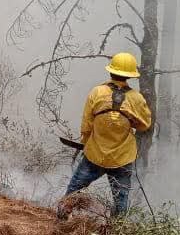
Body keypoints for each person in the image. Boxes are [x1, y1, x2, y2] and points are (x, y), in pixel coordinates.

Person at [63, 52, 152, 216]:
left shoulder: (97, 92)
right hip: (122, 158)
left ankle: (60, 220)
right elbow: (144, 125)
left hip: (94, 155)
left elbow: (86, 125)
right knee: (121, 201)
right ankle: (116, 233)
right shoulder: (137, 99)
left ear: (110, 71)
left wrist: (86, 142)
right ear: (130, 76)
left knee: (73, 190)